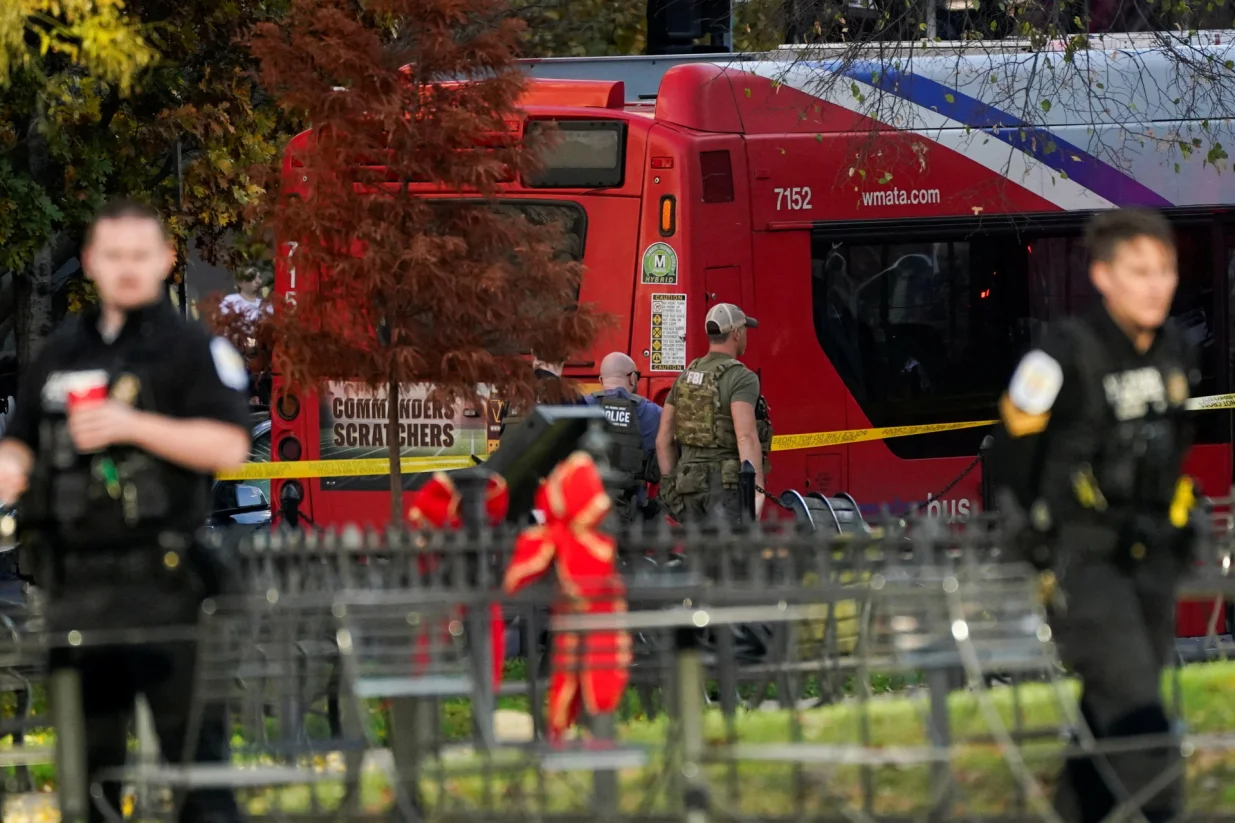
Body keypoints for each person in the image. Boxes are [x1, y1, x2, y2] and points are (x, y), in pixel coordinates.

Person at [0, 199, 251, 823]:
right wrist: (12, 469)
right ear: (89, 263)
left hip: (165, 582)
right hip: (74, 585)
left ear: (166, 259)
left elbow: (230, 447)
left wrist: (134, 425)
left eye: (141, 255)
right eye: (114, 255)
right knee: (89, 779)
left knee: (198, 774)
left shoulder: (191, 348)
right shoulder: (62, 350)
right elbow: (21, 442)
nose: (128, 268)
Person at [990, 209, 1202, 823]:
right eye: (1139, 271)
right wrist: (1027, 535)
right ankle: (1164, 808)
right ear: (1104, 276)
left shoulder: (1175, 350)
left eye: (1165, 270)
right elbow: (1011, 451)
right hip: (1080, 562)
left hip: (1150, 559)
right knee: (1138, 712)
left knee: (1111, 707)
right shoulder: (1061, 354)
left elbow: (1171, 447)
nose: (1156, 284)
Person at [655, 303, 773, 522]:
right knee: (728, 554)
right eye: (745, 330)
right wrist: (756, 491)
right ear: (736, 333)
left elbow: (664, 439)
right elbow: (745, 436)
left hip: (687, 486)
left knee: (697, 554)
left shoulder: (685, 376)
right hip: (725, 487)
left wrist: (672, 482)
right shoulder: (741, 377)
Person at [583, 352, 663, 524]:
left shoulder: (581, 406)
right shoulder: (654, 413)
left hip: (588, 510)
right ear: (633, 378)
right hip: (634, 514)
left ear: (601, 380)